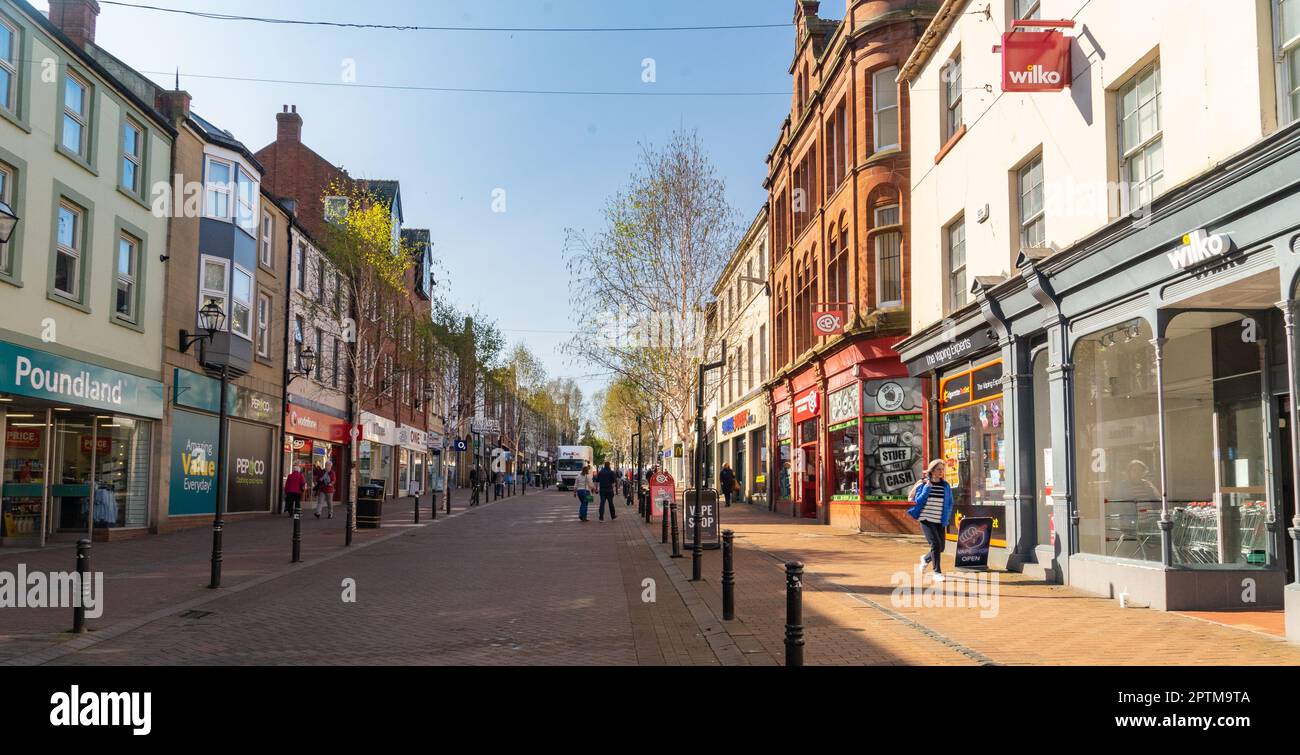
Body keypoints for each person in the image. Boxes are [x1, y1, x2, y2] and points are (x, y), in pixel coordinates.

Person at [907, 459, 955, 582]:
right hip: (926, 518)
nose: (941, 472)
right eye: (938, 469)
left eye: (942, 469)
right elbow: (918, 500)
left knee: (941, 547)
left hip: (939, 520)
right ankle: (937, 572)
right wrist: (927, 488)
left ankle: (926, 558)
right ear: (932, 470)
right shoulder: (923, 484)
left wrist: (947, 517)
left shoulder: (945, 485)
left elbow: (949, 503)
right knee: (935, 544)